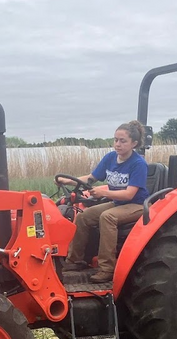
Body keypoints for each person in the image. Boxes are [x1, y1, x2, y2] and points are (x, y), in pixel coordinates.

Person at [57, 120, 149, 283]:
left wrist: (103, 192)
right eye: (115, 140)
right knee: (84, 216)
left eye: (123, 141)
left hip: (136, 205)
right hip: (117, 203)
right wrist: (67, 181)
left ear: (134, 143)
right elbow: (91, 178)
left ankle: (106, 268)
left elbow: (129, 194)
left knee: (107, 217)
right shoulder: (110, 158)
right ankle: (75, 261)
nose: (118, 144)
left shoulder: (138, 164)